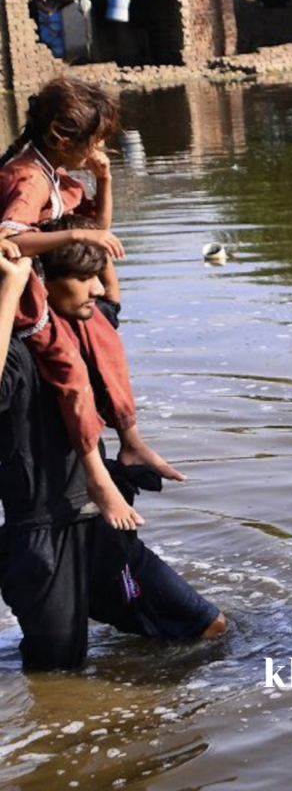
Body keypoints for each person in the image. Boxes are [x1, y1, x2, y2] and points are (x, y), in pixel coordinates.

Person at [0, 219, 226, 670]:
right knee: (58, 677)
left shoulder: (82, 328)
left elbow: (110, 295)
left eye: (96, 276)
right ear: (43, 284)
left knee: (206, 627)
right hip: (44, 540)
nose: (97, 290)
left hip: (101, 529)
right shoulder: (19, 352)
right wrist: (11, 285)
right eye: (83, 279)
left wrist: (100, 185)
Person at [0, 77, 170, 531]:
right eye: (93, 141)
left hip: (50, 284)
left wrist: (104, 176)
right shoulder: (28, 177)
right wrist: (75, 234)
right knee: (71, 371)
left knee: (103, 335)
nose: (97, 147)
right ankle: (96, 477)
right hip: (22, 292)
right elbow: (8, 237)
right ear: (60, 136)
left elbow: (99, 235)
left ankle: (130, 438)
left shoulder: (53, 172)